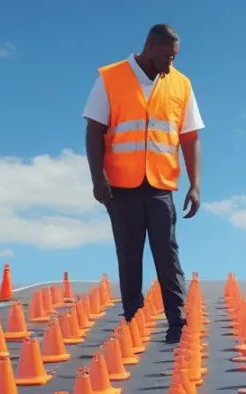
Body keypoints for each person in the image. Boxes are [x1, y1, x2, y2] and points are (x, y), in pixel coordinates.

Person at [82, 23, 204, 344]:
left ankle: (177, 322)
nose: (170, 64)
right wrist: (98, 178)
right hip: (119, 186)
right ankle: (133, 322)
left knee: (167, 252)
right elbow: (94, 131)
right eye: (167, 57)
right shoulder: (110, 78)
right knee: (129, 253)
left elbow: (190, 138)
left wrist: (195, 185)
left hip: (160, 185)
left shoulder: (181, 84)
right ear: (149, 48)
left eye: (175, 58)